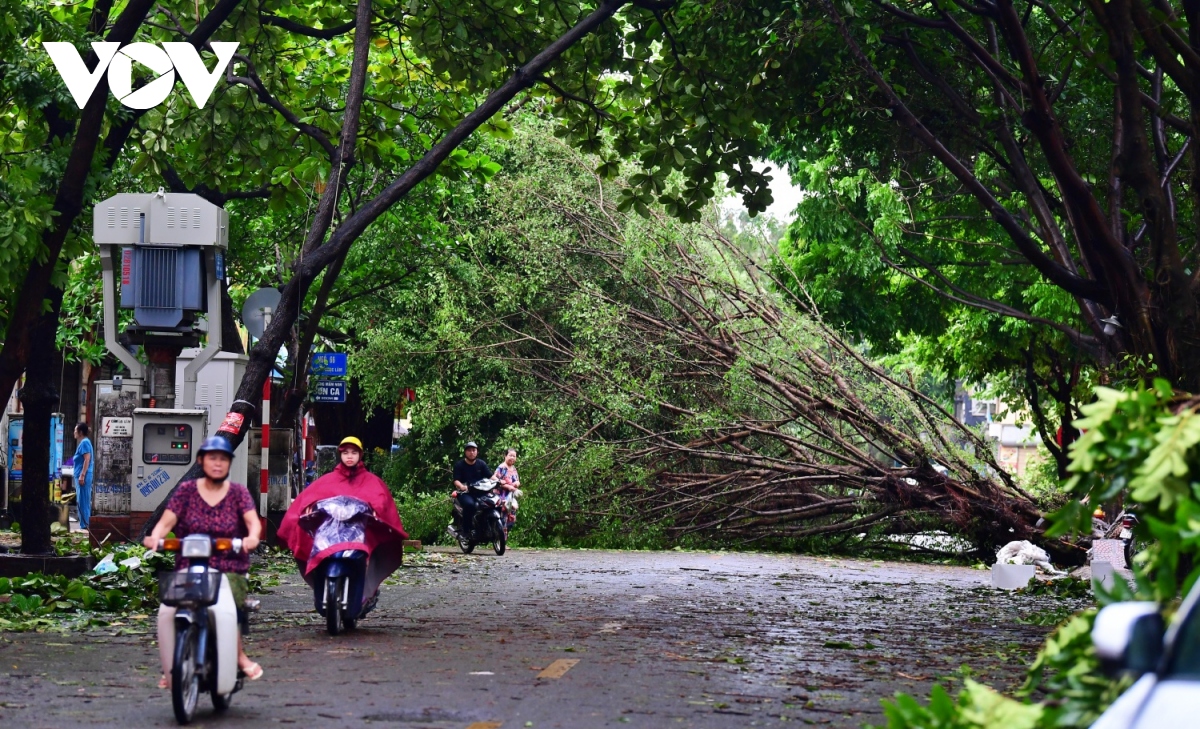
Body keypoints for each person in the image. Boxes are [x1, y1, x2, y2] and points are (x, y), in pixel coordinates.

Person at [143, 436, 263, 688]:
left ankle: (239, 656)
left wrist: (251, 538)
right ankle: (171, 665)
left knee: (231, 604)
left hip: (229, 566)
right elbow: (166, 522)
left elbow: (253, 523)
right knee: (167, 609)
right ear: (201, 461)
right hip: (189, 566)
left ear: (229, 463)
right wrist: (155, 538)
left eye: (223, 459)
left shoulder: (238, 493)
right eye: (212, 458)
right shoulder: (186, 492)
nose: (217, 464)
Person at [277, 436, 407, 615]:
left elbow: (381, 500)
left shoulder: (371, 481)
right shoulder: (328, 480)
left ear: (360, 455)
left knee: (367, 555)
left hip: (360, 533)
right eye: (345, 453)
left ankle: (365, 594)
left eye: (354, 453)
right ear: (340, 455)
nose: (349, 457)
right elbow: (309, 498)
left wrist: (376, 513)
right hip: (329, 535)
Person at [451, 441, 490, 537]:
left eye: (474, 450)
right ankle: (466, 530)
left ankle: (488, 528)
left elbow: (490, 476)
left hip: (480, 492)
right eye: (469, 450)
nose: (471, 452)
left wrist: (499, 481)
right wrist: (462, 486)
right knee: (470, 505)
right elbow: (456, 480)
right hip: (465, 493)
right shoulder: (459, 465)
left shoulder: (481, 464)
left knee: (491, 503)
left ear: (477, 452)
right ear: (465, 452)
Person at [492, 448, 521, 533]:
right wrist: (507, 486)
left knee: (511, 519)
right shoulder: (501, 467)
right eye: (510, 455)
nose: (512, 458)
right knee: (503, 518)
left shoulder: (514, 468)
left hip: (510, 496)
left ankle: (502, 540)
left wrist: (517, 484)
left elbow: (518, 480)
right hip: (501, 496)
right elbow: (494, 480)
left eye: (514, 456)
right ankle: (501, 542)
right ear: (505, 456)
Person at [71, 423, 93, 530]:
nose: (74, 433)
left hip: (83, 477)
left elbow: (87, 459)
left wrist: (82, 475)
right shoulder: (84, 443)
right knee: (82, 500)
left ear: (80, 432)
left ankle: (85, 525)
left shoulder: (84, 443)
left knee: (83, 501)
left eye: (75, 431)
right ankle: (84, 524)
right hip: (81, 476)